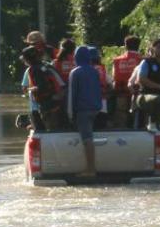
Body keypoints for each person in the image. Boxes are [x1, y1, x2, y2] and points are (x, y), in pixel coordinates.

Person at [67, 44, 103, 178]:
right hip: (96, 109)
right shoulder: (95, 71)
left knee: (87, 139)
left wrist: (70, 115)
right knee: (91, 137)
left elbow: (72, 95)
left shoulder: (75, 72)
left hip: (83, 110)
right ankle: (91, 168)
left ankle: (90, 170)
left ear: (76, 57)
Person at [130, 38, 160, 130]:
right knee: (158, 99)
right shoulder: (146, 63)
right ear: (153, 49)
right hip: (143, 96)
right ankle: (152, 124)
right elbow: (141, 79)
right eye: (159, 47)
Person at [19, 46, 59, 133]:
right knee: (53, 128)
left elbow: (38, 87)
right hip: (55, 103)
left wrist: (31, 89)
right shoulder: (48, 67)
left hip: (40, 107)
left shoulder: (32, 70)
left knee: (40, 130)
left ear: (26, 60)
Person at [110, 37, 143, 128]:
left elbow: (114, 77)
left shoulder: (117, 60)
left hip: (121, 93)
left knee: (121, 118)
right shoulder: (143, 60)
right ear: (138, 46)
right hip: (137, 92)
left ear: (125, 46)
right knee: (138, 116)